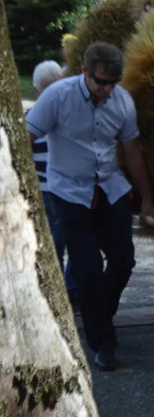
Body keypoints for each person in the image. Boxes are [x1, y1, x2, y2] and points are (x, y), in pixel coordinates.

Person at [24, 42, 154, 371]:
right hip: (68, 190)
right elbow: (25, 136)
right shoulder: (57, 96)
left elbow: (133, 151)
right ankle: (103, 343)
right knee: (87, 269)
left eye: (113, 82)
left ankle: (100, 316)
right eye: (101, 82)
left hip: (109, 188)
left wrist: (149, 200)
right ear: (84, 72)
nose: (107, 89)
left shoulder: (122, 100)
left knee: (124, 261)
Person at [28, 60, 74, 301]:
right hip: (48, 190)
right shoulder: (34, 119)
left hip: (58, 189)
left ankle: (65, 292)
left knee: (63, 242)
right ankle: (62, 292)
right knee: (58, 242)